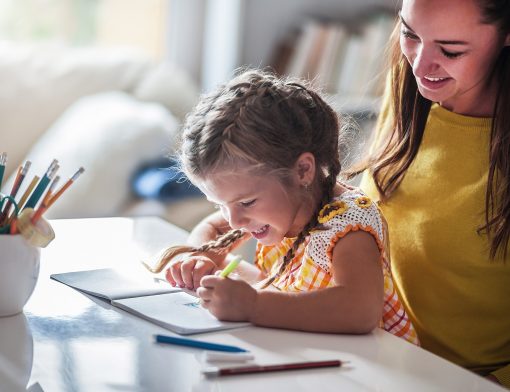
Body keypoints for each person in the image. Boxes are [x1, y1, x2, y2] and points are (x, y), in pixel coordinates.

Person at [145, 69, 418, 343]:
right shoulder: (275, 209)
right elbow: (212, 227)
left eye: (246, 202)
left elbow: (360, 311)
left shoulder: (348, 226)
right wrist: (201, 257)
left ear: (302, 171)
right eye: (220, 205)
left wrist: (254, 306)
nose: (235, 220)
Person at [354, 0, 510, 386]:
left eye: (450, 50)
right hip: (371, 361)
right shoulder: (412, 90)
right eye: (409, 34)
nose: (420, 65)